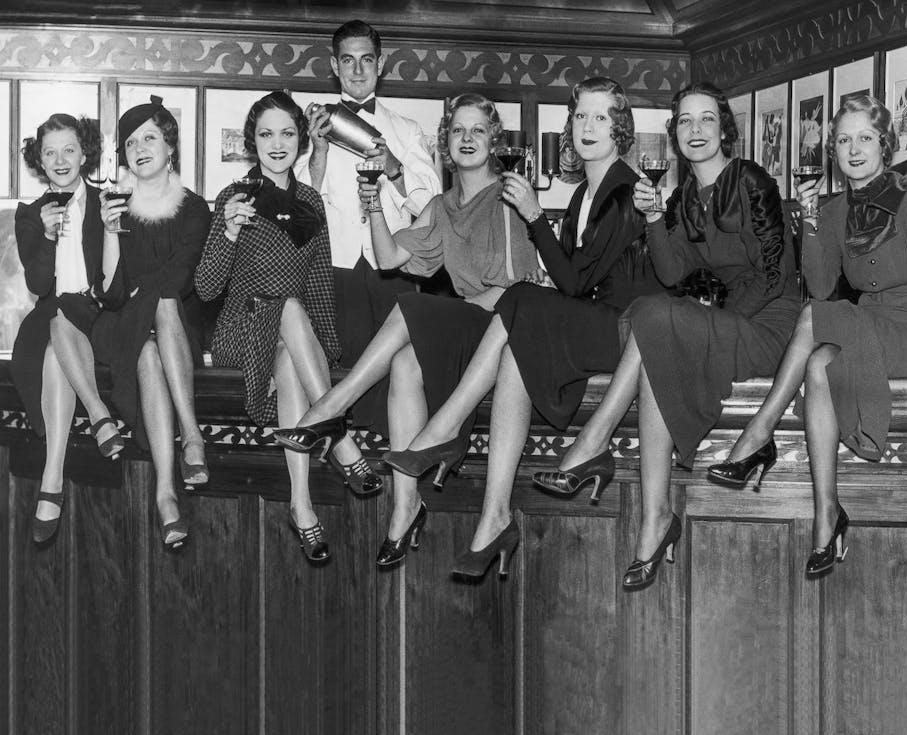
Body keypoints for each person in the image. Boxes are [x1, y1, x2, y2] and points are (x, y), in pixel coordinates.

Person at [707, 94, 907, 576]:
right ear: (835, 152)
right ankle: (828, 516)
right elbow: (820, 286)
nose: (854, 148)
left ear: (884, 144)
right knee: (819, 363)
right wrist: (812, 224)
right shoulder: (836, 209)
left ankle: (759, 433)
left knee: (815, 318)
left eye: (865, 137)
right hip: (865, 330)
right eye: (843, 140)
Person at [383, 76, 662, 579]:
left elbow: (577, 284)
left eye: (601, 117)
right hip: (590, 321)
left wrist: (533, 216)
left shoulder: (625, 187)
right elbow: (569, 277)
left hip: (625, 333)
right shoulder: (584, 193)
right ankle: (494, 518)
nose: (587, 126)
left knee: (516, 299)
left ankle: (445, 428)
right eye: (580, 116)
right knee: (516, 347)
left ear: (620, 129)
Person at [530, 81, 800, 590]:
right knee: (650, 320)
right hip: (723, 322)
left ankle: (593, 440)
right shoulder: (680, 198)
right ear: (674, 134)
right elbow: (674, 274)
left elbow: (773, 273)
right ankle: (656, 518)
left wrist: (719, 322)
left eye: (706, 120)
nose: (695, 131)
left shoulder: (752, 180)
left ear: (725, 130)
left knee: (655, 317)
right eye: (685, 122)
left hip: (767, 322)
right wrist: (655, 216)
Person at [274, 93, 539, 567]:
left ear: (494, 140)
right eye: (458, 130)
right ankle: (404, 505)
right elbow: (390, 257)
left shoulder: (508, 195)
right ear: (446, 143)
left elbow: (521, 291)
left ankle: (332, 406)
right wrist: (373, 206)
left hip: (501, 332)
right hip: (463, 329)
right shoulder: (442, 204)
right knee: (403, 361)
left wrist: (457, 311)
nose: (467, 139)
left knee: (411, 305)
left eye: (478, 130)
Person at [196, 91, 358, 562]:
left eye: (287, 132)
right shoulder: (235, 197)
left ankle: (301, 505)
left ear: (301, 140)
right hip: (239, 331)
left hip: (292, 337)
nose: (277, 143)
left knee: (290, 340)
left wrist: (326, 349)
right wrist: (227, 232)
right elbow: (206, 290)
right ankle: (340, 436)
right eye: (266, 134)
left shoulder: (310, 201)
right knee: (286, 304)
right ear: (253, 141)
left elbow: (321, 284)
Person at [92, 96, 211, 550]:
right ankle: (192, 437)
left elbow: (180, 278)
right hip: (126, 322)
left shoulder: (195, 207)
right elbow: (112, 293)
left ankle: (165, 495)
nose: (139, 148)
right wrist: (108, 232)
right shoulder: (115, 207)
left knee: (158, 317)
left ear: (170, 146)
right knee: (145, 328)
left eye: (149, 137)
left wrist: (145, 294)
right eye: (129, 143)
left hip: (178, 325)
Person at [298, 19, 441, 371]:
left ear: (381, 63)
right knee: (337, 369)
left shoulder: (408, 131)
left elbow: (433, 207)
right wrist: (318, 152)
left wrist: (393, 166)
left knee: (397, 371)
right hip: (335, 269)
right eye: (348, 60)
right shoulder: (312, 127)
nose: (358, 70)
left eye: (366, 59)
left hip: (395, 270)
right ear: (335, 66)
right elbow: (300, 206)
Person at [11, 114, 124, 544]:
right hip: (52, 314)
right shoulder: (29, 213)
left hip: (98, 313)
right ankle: (93, 424)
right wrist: (45, 236)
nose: (60, 159)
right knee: (56, 323)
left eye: (69, 149)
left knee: (63, 319)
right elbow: (40, 286)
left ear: (85, 154)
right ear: (39, 160)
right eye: (50, 152)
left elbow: (116, 289)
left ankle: (51, 480)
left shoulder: (107, 201)